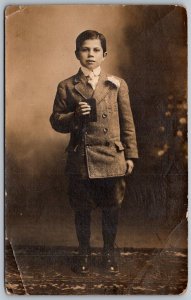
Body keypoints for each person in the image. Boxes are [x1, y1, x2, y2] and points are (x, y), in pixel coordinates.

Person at [50, 30, 138, 274]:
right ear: (77, 53)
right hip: (81, 158)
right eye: (85, 49)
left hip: (111, 155)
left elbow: (127, 122)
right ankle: (84, 254)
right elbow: (56, 121)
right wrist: (75, 116)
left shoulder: (117, 84)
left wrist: (130, 155)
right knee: (82, 208)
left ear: (104, 54)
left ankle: (109, 253)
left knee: (111, 208)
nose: (90, 54)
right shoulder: (67, 86)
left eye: (96, 50)